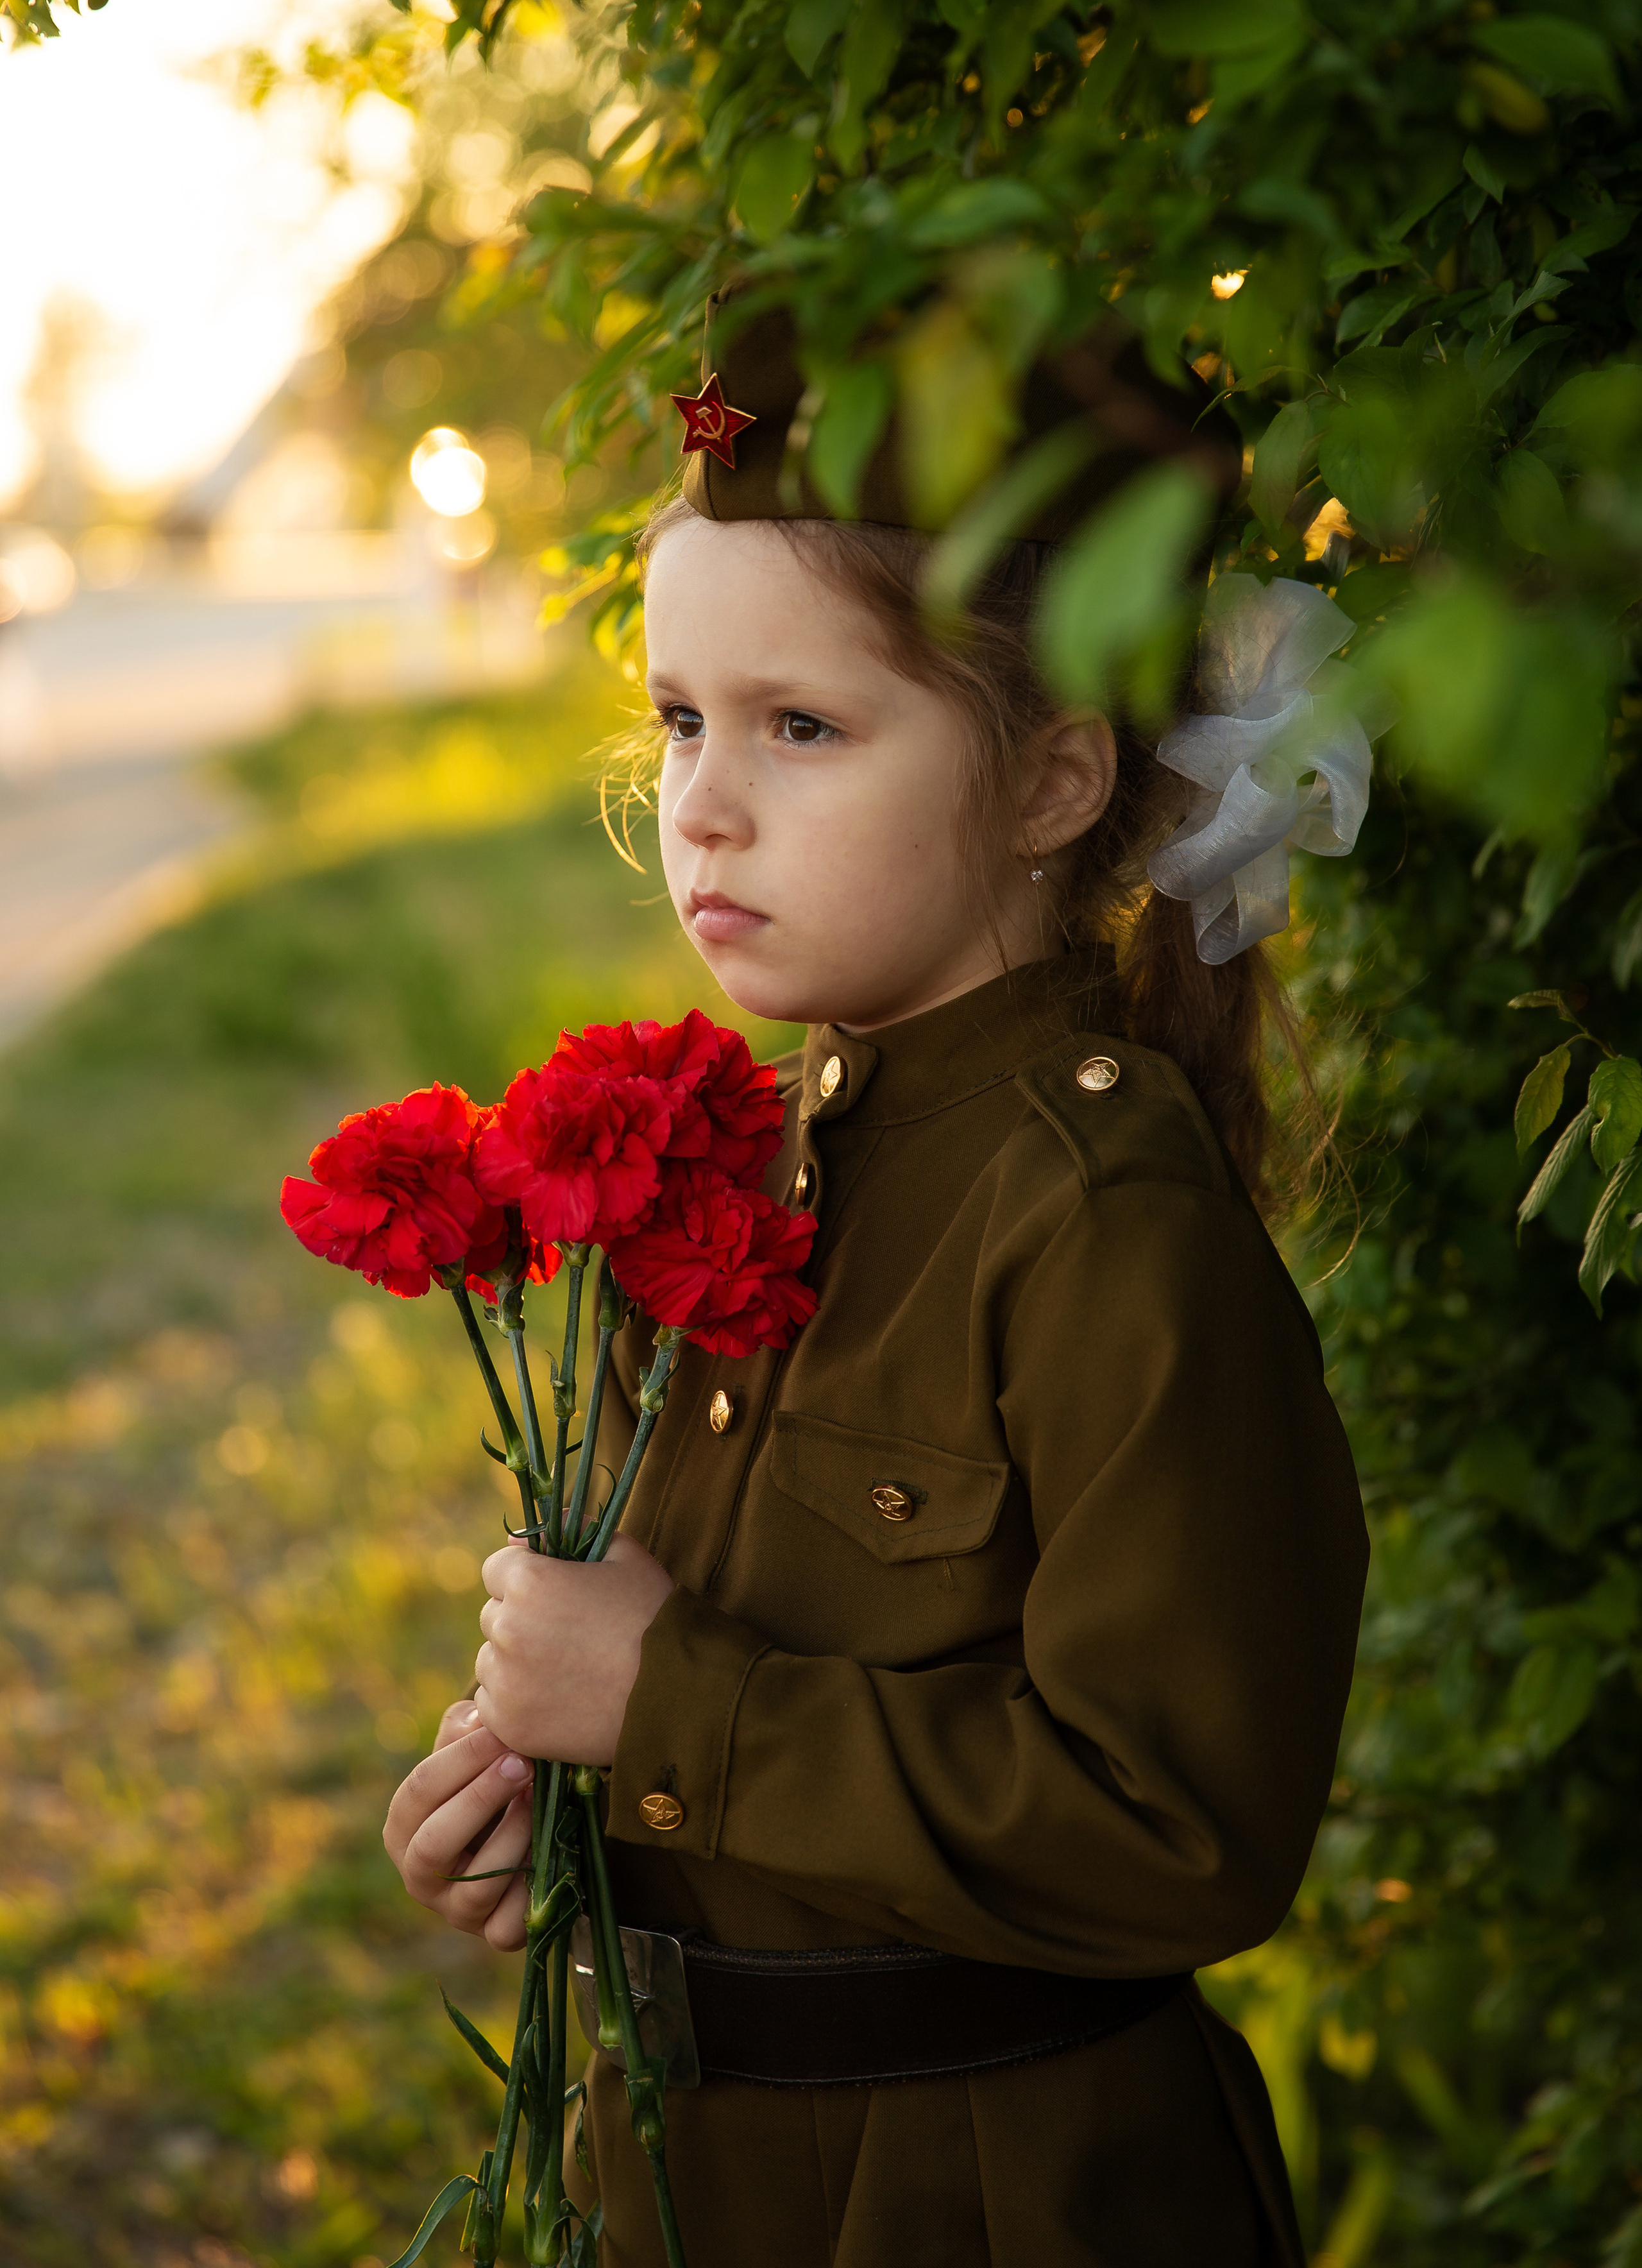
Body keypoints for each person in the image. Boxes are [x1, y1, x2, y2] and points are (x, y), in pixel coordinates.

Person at [383, 293, 1372, 2268]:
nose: (702, 803)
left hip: (987, 2197)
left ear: (1052, 783)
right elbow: (726, 1659)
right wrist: (553, 1801)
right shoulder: (757, 1156)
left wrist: (667, 1701)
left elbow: (1180, 1831)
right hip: (690, 2173)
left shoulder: (1101, 1219)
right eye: (679, 720)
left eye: (803, 727)